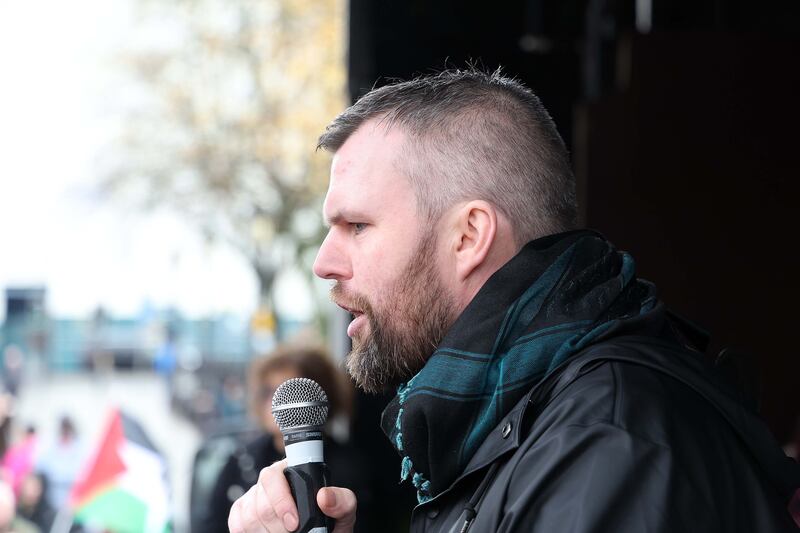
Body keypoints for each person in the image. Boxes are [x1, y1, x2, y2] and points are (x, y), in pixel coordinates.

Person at [228, 68, 800, 532]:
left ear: (469, 236)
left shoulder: (606, 445)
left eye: (357, 224)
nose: (323, 262)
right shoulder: (515, 427)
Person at [202, 345, 370, 533]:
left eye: (289, 390)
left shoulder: (349, 464)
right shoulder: (240, 460)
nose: (275, 399)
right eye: (268, 391)